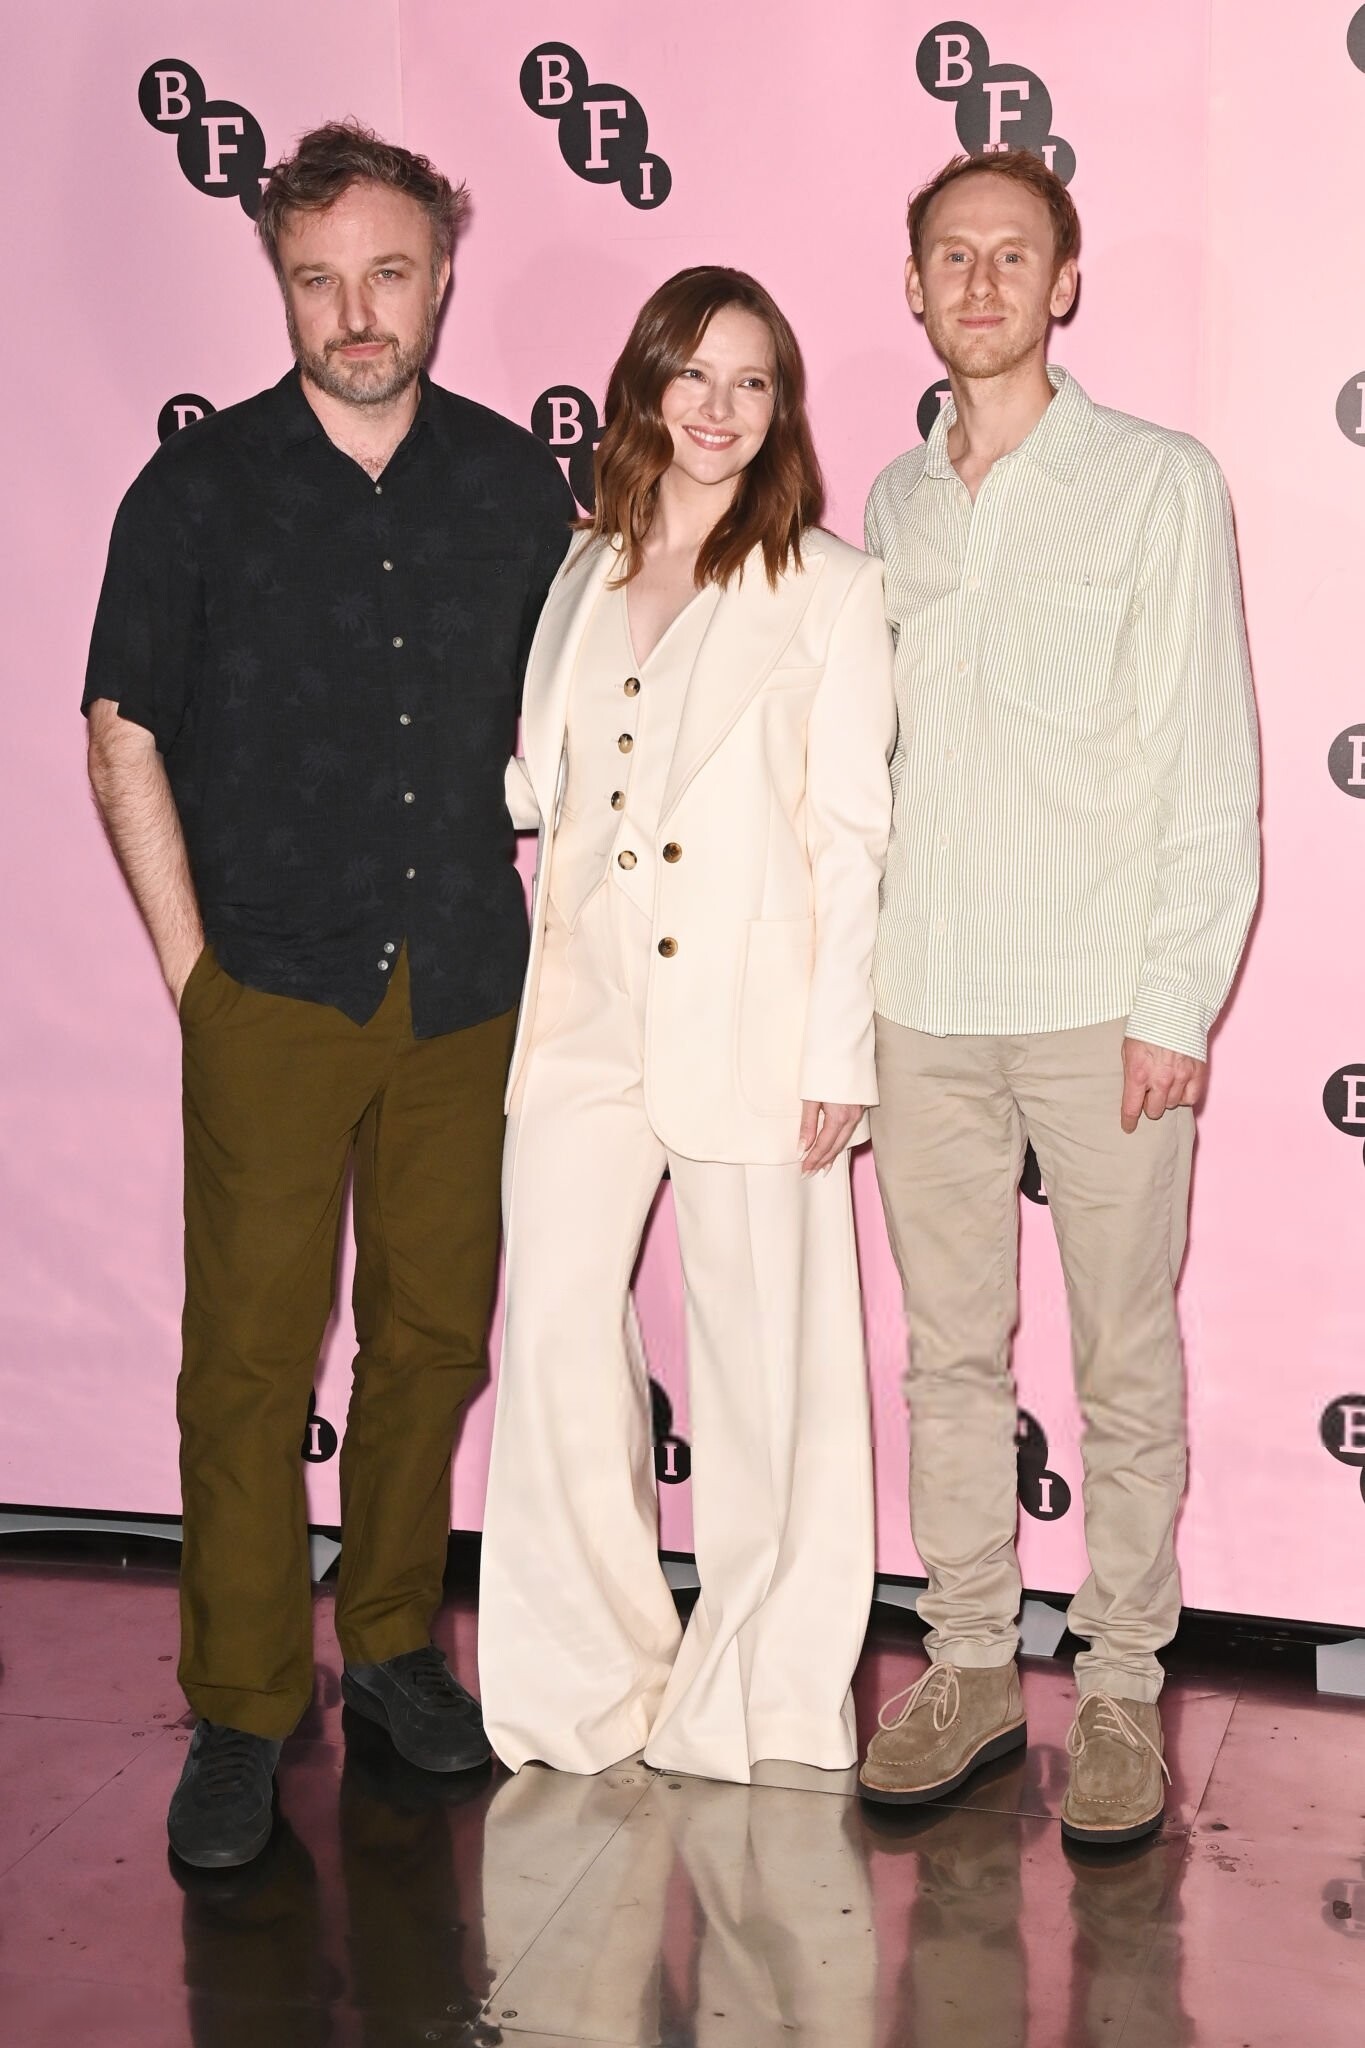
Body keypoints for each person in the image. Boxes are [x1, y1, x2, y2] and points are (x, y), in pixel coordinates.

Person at [83, 121, 574, 1868]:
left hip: (466, 986)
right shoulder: (197, 491)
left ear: (440, 274)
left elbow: (591, 727)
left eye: (387, 273)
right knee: (247, 1358)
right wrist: (194, 978)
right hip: (271, 990)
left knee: (431, 1338)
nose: (355, 312)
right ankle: (240, 1705)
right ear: (279, 284)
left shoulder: (518, 487)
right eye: (318, 279)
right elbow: (122, 728)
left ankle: (387, 1647)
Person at [857, 152, 1259, 1843]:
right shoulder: (890, 503)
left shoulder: (1156, 482)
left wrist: (1175, 998)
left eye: (1011, 255)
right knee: (947, 1356)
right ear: (913, 289)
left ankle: (1116, 1689)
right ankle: (962, 1663)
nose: (980, 282)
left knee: (1122, 1362)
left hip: (1101, 999)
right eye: (950, 256)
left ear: (1063, 284)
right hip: (920, 1000)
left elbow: (1207, 761)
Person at [477, 266, 896, 1783]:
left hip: (754, 1022)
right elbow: (551, 785)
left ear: (782, 410)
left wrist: (836, 1053)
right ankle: (585, 1681)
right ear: (644, 384)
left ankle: (759, 1698)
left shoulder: (831, 589)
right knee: (553, 1343)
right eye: (694, 374)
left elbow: (851, 837)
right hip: (583, 1017)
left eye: (752, 381)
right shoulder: (581, 570)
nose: (719, 409)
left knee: (768, 1367)